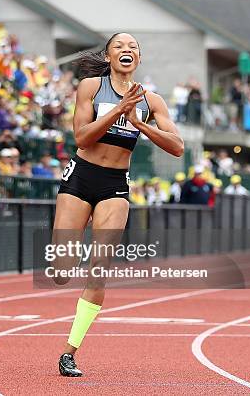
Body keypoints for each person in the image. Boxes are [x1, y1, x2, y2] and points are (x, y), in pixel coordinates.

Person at [54, 33, 184, 376]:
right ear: (109, 56)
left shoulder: (151, 99)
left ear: (138, 59)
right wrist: (118, 112)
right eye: (119, 46)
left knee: (99, 271)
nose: (127, 50)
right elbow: (81, 137)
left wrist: (141, 123)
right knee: (61, 272)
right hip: (81, 177)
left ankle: (70, 352)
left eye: (133, 47)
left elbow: (177, 146)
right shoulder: (91, 87)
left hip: (115, 184)